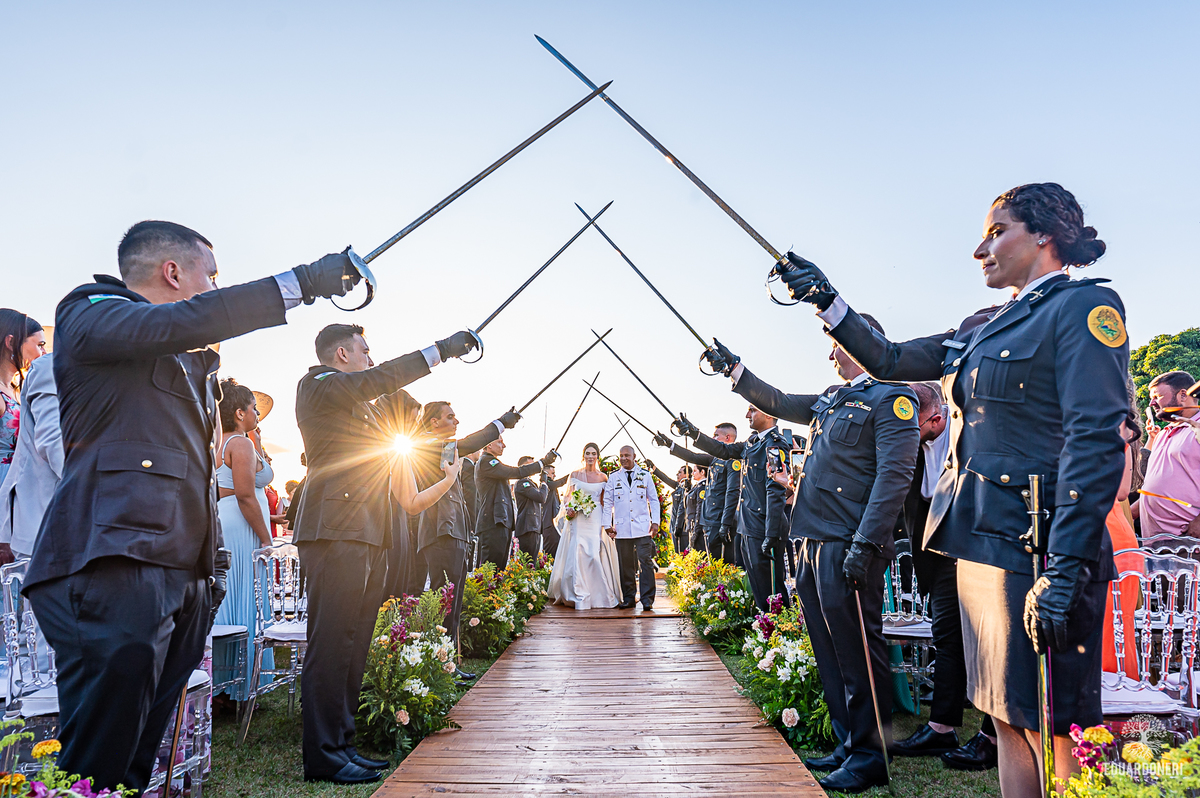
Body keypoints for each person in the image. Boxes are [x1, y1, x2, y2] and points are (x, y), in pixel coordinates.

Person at [773, 182, 1126, 795]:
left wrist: (1066, 568)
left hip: (1038, 548)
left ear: (1043, 235)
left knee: (1053, 727)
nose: (980, 249)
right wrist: (825, 300)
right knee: (1005, 718)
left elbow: (1096, 443)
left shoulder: (1082, 308)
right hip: (981, 545)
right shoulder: (989, 327)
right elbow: (885, 357)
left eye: (996, 232)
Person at [25, 220, 357, 792]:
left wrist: (213, 571)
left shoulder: (191, 362)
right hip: (113, 561)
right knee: (96, 760)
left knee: (137, 756)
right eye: (211, 272)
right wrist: (300, 283)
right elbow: (180, 323)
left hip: (184, 571)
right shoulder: (88, 311)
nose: (214, 285)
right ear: (173, 272)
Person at [703, 317, 919, 794]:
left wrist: (866, 543)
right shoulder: (831, 399)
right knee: (831, 648)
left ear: (863, 344)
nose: (830, 355)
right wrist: (735, 371)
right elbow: (777, 401)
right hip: (811, 539)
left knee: (860, 651)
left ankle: (870, 755)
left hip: (848, 541)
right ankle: (847, 740)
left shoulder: (892, 399)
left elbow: (894, 477)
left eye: (836, 346)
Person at [292, 321, 481, 785]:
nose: (371, 358)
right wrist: (439, 351)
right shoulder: (317, 385)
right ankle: (322, 754)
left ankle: (343, 744)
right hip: (334, 529)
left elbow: (418, 431)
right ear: (340, 355)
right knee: (332, 640)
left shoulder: (362, 405)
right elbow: (380, 380)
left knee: (354, 642)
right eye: (364, 350)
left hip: (368, 531)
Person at [886, 382, 998, 769]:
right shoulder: (912, 446)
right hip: (939, 557)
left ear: (937, 418)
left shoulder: (972, 435)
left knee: (989, 644)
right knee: (947, 636)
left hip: (981, 552)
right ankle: (942, 726)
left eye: (910, 425)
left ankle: (993, 736)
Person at [410, 400, 513, 662]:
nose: (456, 421)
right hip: (441, 531)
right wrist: (500, 424)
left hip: (454, 531)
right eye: (450, 417)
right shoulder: (428, 444)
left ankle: (449, 664)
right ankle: (438, 661)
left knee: (453, 604)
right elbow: (467, 443)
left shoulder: (443, 449)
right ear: (434, 422)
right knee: (444, 601)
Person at [675, 405, 790, 613]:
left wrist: (771, 534)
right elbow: (722, 450)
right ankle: (765, 633)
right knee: (758, 589)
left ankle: (781, 634)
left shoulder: (774, 446)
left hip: (764, 528)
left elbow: (775, 491)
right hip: (748, 527)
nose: (747, 415)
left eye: (753, 410)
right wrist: (694, 433)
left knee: (773, 592)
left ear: (769, 414)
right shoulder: (751, 443)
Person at [211, 379, 275, 704]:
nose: (257, 412)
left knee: (229, 602)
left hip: (225, 523)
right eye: (253, 407)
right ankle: (244, 686)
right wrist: (266, 538)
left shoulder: (221, 442)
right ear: (239, 412)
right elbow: (247, 495)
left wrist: (258, 443)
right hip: (243, 525)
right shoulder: (240, 444)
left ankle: (223, 685)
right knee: (247, 597)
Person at [0, 353, 60, 565]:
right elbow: (53, 443)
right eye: (39, 343)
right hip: (38, 497)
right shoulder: (51, 367)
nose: (41, 351)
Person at [652, 424, 742, 562]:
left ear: (728, 438)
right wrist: (669, 444)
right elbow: (692, 456)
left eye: (716, 435)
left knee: (724, 567)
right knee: (711, 566)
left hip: (721, 521)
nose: (713, 438)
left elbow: (732, 494)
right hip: (709, 521)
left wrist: (725, 524)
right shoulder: (714, 459)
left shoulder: (732, 461)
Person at [548, 442, 621, 609]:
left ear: (597, 456)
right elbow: (567, 497)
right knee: (578, 552)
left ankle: (598, 594)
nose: (590, 456)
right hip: (579, 518)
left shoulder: (603, 477)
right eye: (587, 453)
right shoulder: (574, 474)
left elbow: (604, 502)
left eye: (593, 453)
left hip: (595, 518)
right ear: (583, 456)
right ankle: (577, 593)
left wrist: (607, 523)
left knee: (594, 554)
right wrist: (570, 508)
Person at [1134, 370, 1200, 536]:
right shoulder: (1163, 434)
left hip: (1189, 543)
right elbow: (1155, 490)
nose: (1151, 403)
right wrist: (1127, 514)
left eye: (1157, 396)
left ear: (1183, 395)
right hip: (1155, 545)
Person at [474, 439, 554, 569]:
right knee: (489, 573)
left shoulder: (492, 464)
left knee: (498, 573)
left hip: (501, 522)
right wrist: (542, 463)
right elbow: (516, 472)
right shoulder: (487, 462)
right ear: (489, 444)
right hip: (493, 523)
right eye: (500, 442)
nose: (504, 445)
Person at [601, 446, 661, 610]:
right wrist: (607, 524)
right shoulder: (614, 477)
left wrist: (655, 522)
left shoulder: (645, 475)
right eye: (621, 456)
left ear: (634, 456)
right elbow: (608, 503)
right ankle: (628, 598)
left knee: (645, 562)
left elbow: (654, 500)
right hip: (622, 528)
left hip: (642, 527)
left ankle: (647, 599)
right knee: (625, 564)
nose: (623, 458)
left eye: (627, 455)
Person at [0, 309, 48, 490]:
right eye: (40, 345)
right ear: (11, 342)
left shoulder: (14, 390)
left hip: (19, 486)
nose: (44, 352)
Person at [514, 456, 549, 558]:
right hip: (528, 527)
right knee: (528, 562)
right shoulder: (522, 483)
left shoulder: (529, 483)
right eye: (531, 465)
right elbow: (541, 497)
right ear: (524, 467)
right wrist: (543, 483)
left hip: (534, 527)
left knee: (532, 561)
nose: (534, 467)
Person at [538, 464, 569, 557]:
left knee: (556, 551)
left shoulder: (551, 486)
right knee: (549, 553)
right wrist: (573, 475)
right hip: (549, 525)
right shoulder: (546, 484)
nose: (554, 475)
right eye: (553, 473)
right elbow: (560, 482)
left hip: (554, 525)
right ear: (546, 474)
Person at [685, 466, 706, 553]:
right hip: (692, 525)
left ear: (702, 472)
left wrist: (696, 531)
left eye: (695, 471)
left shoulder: (702, 487)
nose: (692, 473)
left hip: (698, 527)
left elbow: (699, 509)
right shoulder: (696, 486)